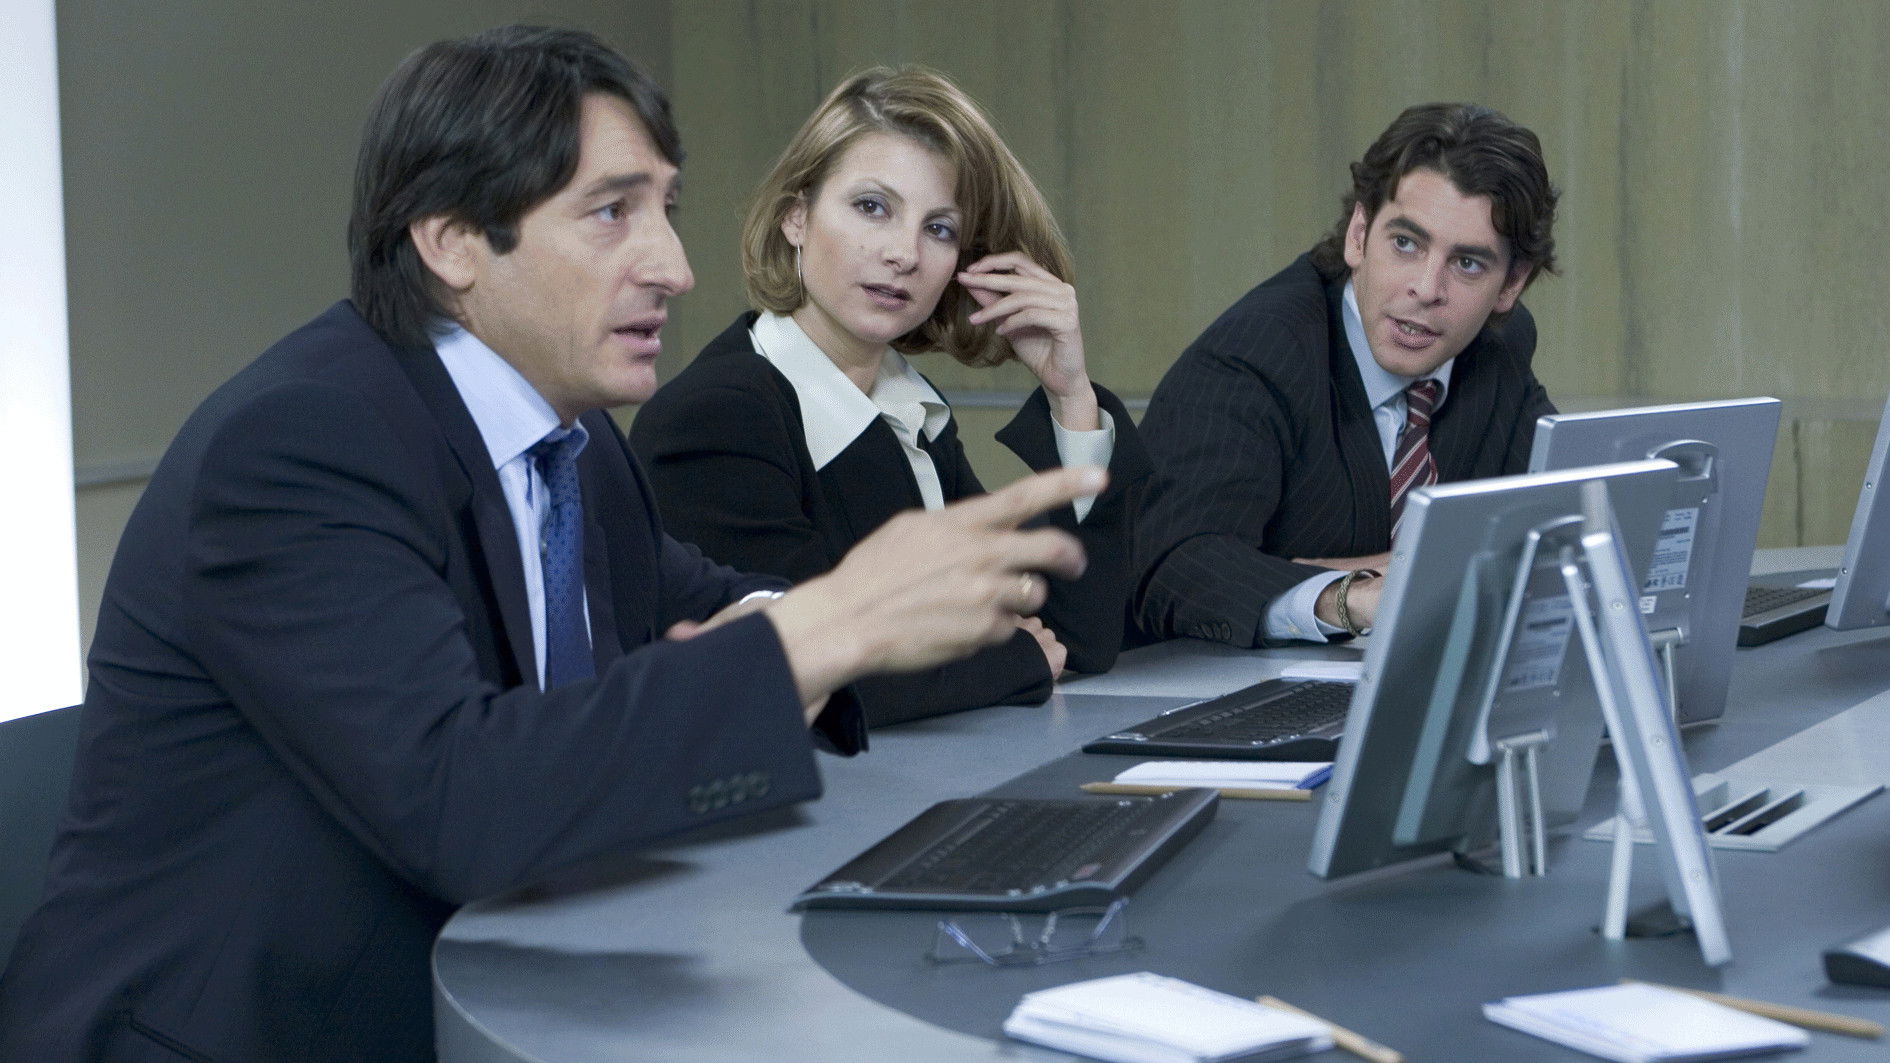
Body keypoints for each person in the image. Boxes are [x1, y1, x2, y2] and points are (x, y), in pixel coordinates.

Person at [0, 27, 1102, 1062]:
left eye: (665, 208)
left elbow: (697, 599)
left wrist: (787, 621)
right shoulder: (303, 441)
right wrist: (828, 625)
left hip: (491, 981)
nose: (673, 266)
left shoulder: (571, 440)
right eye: (612, 213)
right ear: (451, 240)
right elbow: (459, 796)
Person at [629, 67, 1150, 726]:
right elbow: (808, 667)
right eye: (872, 207)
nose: (904, 253)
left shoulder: (909, 406)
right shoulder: (715, 415)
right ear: (796, 216)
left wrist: (1069, 391)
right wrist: (1015, 657)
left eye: (939, 229)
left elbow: (1078, 635)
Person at [1131, 102, 1559, 648]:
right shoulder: (1259, 354)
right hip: (1209, 687)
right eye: (1406, 243)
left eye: (1467, 263)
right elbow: (1174, 563)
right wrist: (1353, 597)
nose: (1427, 288)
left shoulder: (1499, 346)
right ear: (1359, 233)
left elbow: (1556, 531)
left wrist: (1394, 568)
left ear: (1510, 285)